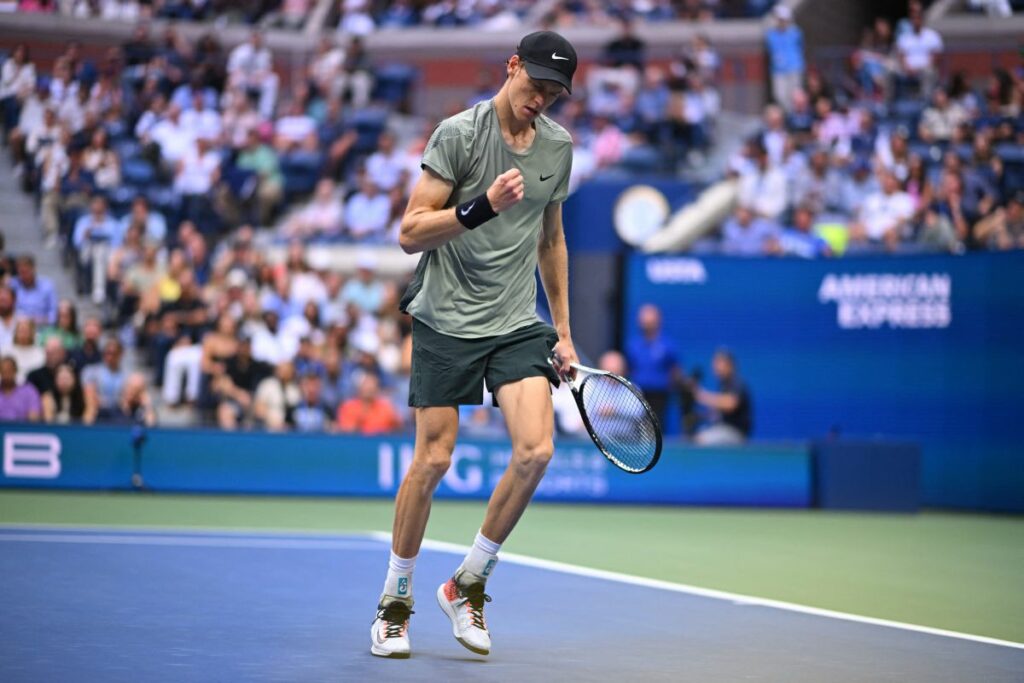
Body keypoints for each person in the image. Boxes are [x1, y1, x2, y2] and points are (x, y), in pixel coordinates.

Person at [370, 31, 579, 660]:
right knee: (433, 460)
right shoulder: (458, 135)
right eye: (534, 83)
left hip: (515, 320)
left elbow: (550, 241)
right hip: (444, 318)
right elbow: (409, 233)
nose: (540, 99)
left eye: (553, 93)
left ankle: (467, 584)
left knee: (537, 450)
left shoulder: (558, 149)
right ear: (512, 67)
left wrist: (565, 332)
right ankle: (395, 601)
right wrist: (477, 208)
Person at [624, 304, 682, 427]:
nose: (646, 323)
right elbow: (628, 368)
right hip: (638, 394)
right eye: (644, 320)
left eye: (650, 321)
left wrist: (670, 386)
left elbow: (675, 370)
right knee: (638, 428)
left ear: (658, 321)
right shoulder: (633, 345)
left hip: (660, 395)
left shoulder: (668, 345)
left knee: (657, 426)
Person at [694, 349, 752, 446]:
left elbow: (731, 403)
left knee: (701, 439)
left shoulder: (736, 382)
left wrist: (703, 396)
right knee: (698, 434)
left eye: (719, 362)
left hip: (735, 432)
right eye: (715, 362)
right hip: (723, 428)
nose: (715, 366)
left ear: (729, 365)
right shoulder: (723, 384)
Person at [765, 5, 805, 112]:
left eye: (783, 19)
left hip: (794, 68)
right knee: (780, 95)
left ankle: (794, 116)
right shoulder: (771, 35)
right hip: (778, 70)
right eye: (779, 19)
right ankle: (788, 115)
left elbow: (800, 47)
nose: (781, 22)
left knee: (795, 95)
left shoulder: (795, 32)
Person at [336, 371, 401, 435]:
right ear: (359, 387)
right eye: (366, 384)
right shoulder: (348, 407)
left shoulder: (386, 408)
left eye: (372, 384)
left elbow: (398, 428)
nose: (369, 388)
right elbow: (346, 430)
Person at [11, 255, 57, 326]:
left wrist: (40, 320)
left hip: (42, 328)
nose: (23, 276)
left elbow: (53, 314)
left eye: (26, 272)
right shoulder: (13, 285)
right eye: (21, 273)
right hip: (18, 328)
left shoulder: (47, 286)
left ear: (34, 269)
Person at [0, 355, 41, 421]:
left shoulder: (29, 391)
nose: (6, 375)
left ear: (15, 371)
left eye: (9, 371)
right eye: (4, 371)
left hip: (22, 430)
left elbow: (34, 416)